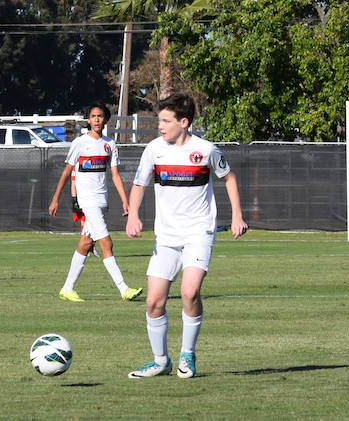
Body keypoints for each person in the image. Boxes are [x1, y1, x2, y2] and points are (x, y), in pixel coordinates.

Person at [126, 93, 247, 379]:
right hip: (166, 237)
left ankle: (188, 354)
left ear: (184, 122)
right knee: (154, 302)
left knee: (189, 292)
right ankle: (159, 361)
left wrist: (237, 216)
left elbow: (228, 177)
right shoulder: (154, 150)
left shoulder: (206, 150)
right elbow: (139, 183)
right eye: (159, 121)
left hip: (198, 232)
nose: (160, 126)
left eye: (166, 121)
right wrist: (132, 214)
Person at [49, 100, 143, 302]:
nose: (97, 120)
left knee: (85, 244)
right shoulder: (80, 143)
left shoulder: (110, 144)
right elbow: (66, 172)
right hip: (88, 202)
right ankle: (124, 289)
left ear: (106, 118)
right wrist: (55, 199)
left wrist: (125, 201)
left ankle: (67, 288)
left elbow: (116, 176)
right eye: (93, 116)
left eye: (100, 116)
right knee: (106, 243)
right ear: (88, 119)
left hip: (102, 201)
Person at [71, 169, 100, 258]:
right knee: (84, 223)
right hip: (83, 199)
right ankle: (86, 248)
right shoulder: (76, 166)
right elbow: (73, 184)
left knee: (94, 224)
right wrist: (74, 200)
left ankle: (92, 247)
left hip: (94, 198)